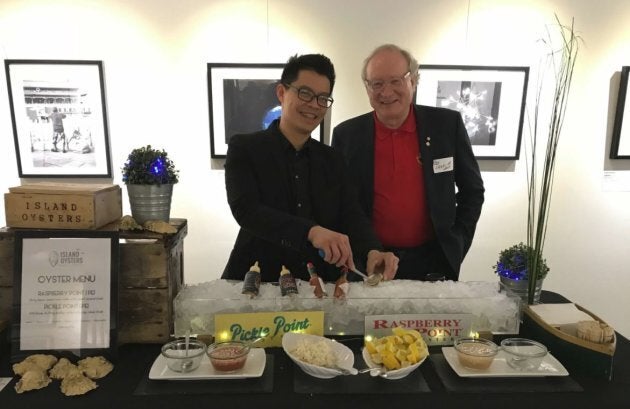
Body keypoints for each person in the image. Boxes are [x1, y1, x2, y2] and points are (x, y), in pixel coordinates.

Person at [222, 54, 398, 283]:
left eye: (323, 98)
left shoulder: (333, 159)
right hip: (257, 280)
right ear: (282, 93)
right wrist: (311, 231)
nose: (314, 105)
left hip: (318, 284)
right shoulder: (245, 148)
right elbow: (247, 210)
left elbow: (352, 214)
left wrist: (372, 250)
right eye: (305, 93)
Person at [332, 44, 485, 281]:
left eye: (395, 81)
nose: (386, 92)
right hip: (370, 261)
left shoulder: (446, 126)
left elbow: (472, 191)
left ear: (413, 81)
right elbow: (341, 203)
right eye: (377, 83)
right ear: (367, 88)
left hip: (433, 261)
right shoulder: (347, 135)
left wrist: (457, 242)